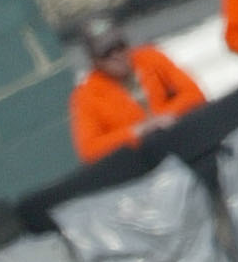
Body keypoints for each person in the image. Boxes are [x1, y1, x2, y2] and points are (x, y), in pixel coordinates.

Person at [69, 13, 204, 159]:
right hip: (139, 162)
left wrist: (164, 117)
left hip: (182, 141)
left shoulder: (151, 58)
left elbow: (194, 93)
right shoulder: (85, 96)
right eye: (106, 52)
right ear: (94, 61)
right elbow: (89, 149)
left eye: (120, 46)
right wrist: (138, 131)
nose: (117, 55)